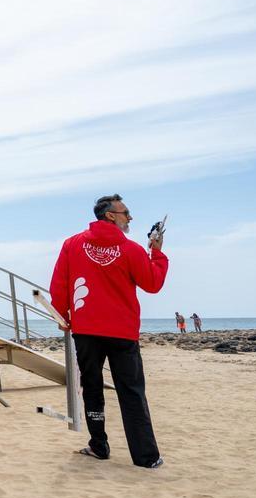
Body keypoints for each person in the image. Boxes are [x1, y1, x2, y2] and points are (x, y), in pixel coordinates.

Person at [50, 193, 168, 468]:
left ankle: (99, 445)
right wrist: (157, 252)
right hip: (121, 331)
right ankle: (146, 458)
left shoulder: (72, 244)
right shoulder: (132, 249)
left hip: (87, 329)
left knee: (92, 387)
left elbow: (59, 284)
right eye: (126, 213)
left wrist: (62, 314)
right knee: (131, 392)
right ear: (110, 215)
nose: (130, 218)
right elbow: (152, 282)